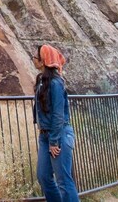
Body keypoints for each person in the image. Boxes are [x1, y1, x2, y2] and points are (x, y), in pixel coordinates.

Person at [33, 44, 79, 201]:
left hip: (58, 135)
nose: (33, 59)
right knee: (44, 176)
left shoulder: (55, 83)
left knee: (64, 181)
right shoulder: (42, 81)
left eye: (36, 56)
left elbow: (58, 115)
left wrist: (54, 141)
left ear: (43, 60)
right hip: (45, 136)